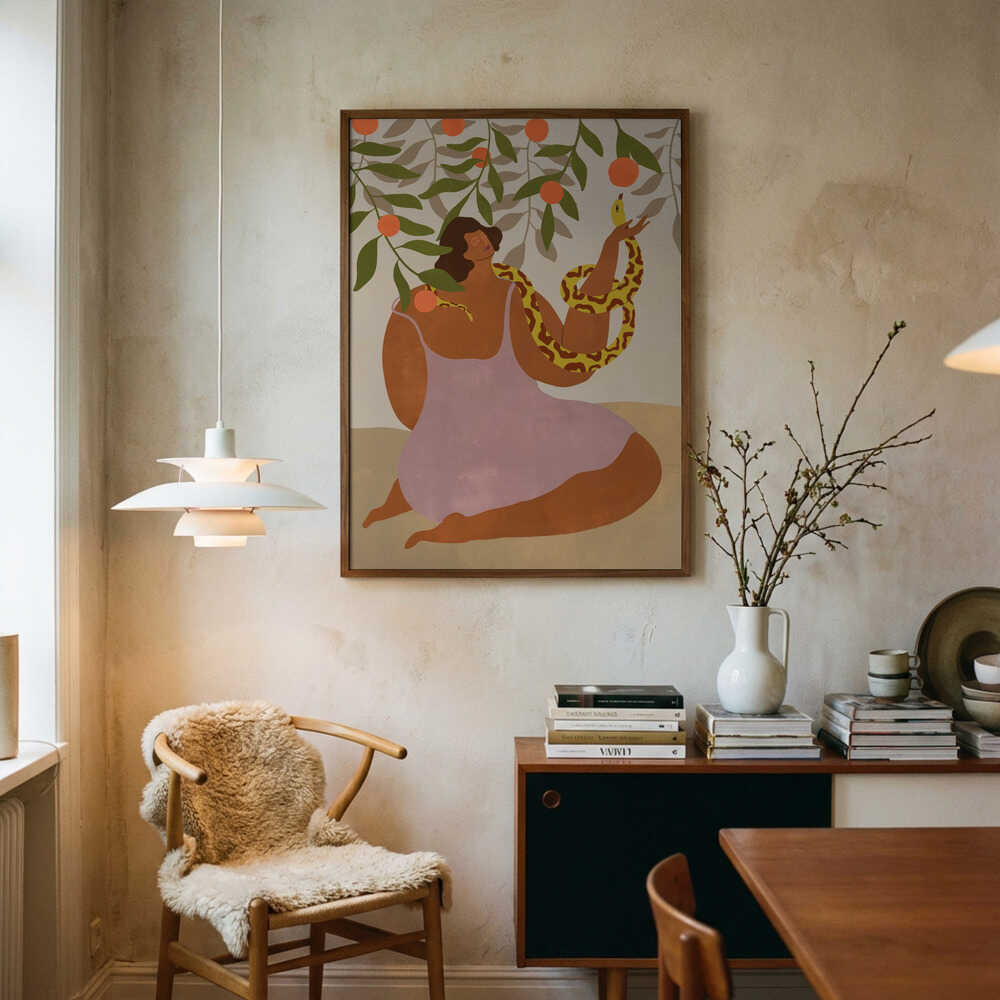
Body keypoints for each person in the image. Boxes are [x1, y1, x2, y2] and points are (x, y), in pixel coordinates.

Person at [363, 215, 661, 548]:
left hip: (487, 444)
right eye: (469, 238)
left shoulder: (516, 296)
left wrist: (609, 254)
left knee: (635, 463)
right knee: (636, 470)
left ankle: (461, 517)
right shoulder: (415, 306)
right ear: (454, 250)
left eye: (480, 233)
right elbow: (409, 409)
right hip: (460, 457)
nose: (479, 240)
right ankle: (478, 523)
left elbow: (569, 364)